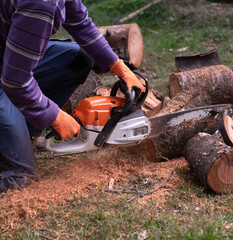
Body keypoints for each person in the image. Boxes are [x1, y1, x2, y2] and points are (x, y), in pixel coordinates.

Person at [0, 0, 145, 193]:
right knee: (20, 176)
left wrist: (119, 67)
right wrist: (54, 116)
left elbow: (80, 22)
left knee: (77, 59)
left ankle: (23, 132)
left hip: (6, 59)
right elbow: (15, 81)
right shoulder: (41, 3)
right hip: (9, 74)